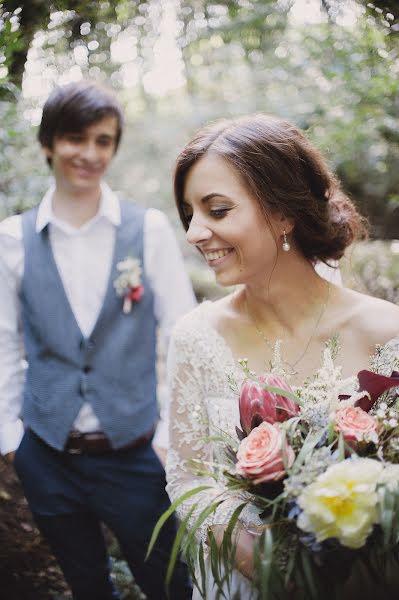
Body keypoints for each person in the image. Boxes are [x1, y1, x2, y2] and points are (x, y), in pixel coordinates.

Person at [164, 114, 399, 599]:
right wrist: (268, 568)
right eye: (191, 214)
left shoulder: (387, 332)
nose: (194, 233)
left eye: (218, 210)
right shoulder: (195, 337)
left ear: (284, 212)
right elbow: (187, 476)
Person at [0, 80, 195, 600]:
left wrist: (166, 436)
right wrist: (13, 442)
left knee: (170, 584)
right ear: (48, 143)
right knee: (86, 585)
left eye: (104, 141)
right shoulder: (11, 241)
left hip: (134, 452)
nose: (89, 154)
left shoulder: (148, 230)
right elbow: (4, 345)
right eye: (75, 138)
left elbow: (179, 335)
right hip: (46, 454)